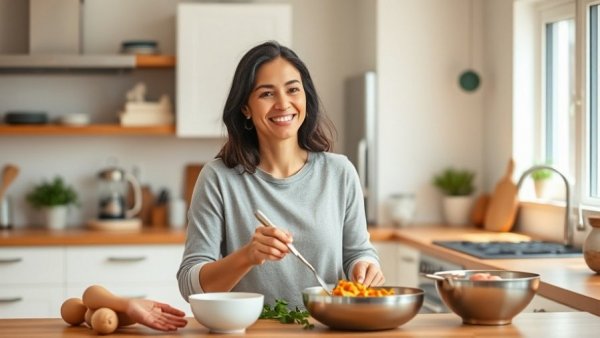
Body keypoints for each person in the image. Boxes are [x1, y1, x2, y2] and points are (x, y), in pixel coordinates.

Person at [177, 41, 384, 308]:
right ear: (245, 108)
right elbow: (189, 284)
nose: (283, 104)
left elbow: (358, 251)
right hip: (253, 330)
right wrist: (247, 256)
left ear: (305, 97)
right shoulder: (218, 179)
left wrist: (365, 265)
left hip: (329, 327)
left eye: (293, 90)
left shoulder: (339, 172)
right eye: (266, 94)